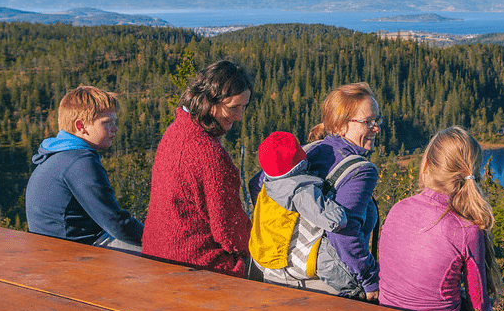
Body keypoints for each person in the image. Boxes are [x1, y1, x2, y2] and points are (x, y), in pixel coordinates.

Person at [379, 126, 504, 311]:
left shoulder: (398, 208)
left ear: (428, 164)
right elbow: (479, 309)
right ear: (473, 171)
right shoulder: (466, 229)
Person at [142, 60, 253, 277]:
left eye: (243, 107)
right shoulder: (210, 156)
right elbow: (229, 232)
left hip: (156, 253)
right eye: (233, 108)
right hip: (195, 265)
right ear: (208, 101)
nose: (239, 116)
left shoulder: (175, 131)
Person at [25, 86, 143, 252]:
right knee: (171, 258)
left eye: (114, 122)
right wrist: (155, 239)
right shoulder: (79, 162)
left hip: (52, 248)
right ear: (81, 126)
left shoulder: (56, 154)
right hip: (73, 252)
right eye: (107, 123)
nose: (115, 129)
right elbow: (116, 222)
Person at [302, 82, 382, 300]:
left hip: (286, 271)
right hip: (332, 286)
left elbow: (259, 182)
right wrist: (369, 279)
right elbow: (344, 232)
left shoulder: (309, 151)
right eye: (368, 122)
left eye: (377, 120)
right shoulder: (360, 171)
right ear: (339, 125)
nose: (376, 128)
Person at [248, 131, 349, 286]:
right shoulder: (301, 190)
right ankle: (355, 292)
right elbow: (334, 221)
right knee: (327, 258)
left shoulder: (266, 184)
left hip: (263, 260)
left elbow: (253, 184)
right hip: (289, 263)